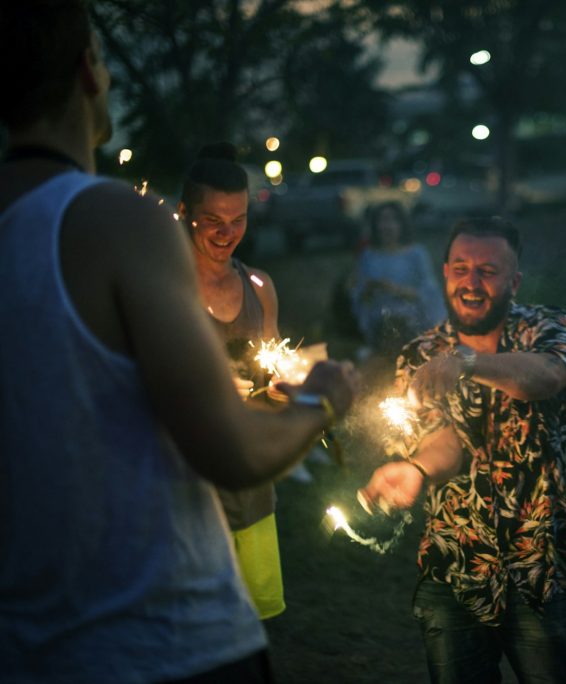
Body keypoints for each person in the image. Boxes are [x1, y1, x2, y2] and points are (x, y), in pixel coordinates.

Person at [0, 3, 358, 682]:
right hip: (161, 634)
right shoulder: (117, 221)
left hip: (27, 642)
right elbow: (232, 451)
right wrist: (324, 401)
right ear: (89, 71)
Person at [360, 217, 566, 683]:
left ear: (514, 281)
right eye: (461, 268)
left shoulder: (548, 327)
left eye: (488, 270)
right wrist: (418, 470)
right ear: (444, 272)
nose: (472, 282)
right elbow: (445, 443)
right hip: (453, 568)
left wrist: (469, 362)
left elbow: (545, 377)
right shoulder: (420, 354)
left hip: (541, 568)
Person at [178, 142, 286, 620]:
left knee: (252, 634)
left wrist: (282, 392)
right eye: (212, 220)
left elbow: (276, 370)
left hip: (252, 493)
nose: (227, 233)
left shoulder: (258, 288)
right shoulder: (162, 287)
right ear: (185, 213)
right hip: (185, 498)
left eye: (238, 219)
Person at [349, 202, 446, 358]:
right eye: (382, 221)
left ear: (401, 224)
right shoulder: (368, 256)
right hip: (380, 318)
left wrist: (394, 289)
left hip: (413, 318)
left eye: (392, 221)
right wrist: (368, 290)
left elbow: (429, 293)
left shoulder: (416, 254)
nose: (387, 226)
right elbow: (360, 297)